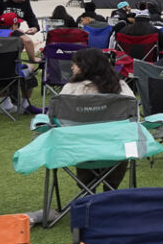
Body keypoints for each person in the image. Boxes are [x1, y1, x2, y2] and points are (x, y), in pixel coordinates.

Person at [57, 48, 139, 185]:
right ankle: (111, 190)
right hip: (116, 149)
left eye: (75, 63)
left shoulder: (70, 90)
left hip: (80, 149)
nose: (72, 67)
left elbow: (59, 118)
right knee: (125, 138)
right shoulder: (121, 88)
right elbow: (133, 117)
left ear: (84, 66)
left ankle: (87, 190)